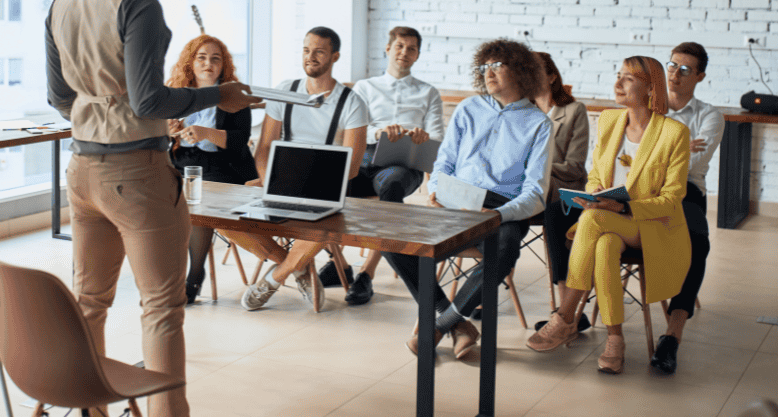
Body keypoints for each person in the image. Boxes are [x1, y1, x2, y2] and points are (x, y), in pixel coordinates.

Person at [45, 0, 256, 417]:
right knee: (162, 307)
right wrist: (221, 95)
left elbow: (59, 97)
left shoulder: (61, 2)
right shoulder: (137, 3)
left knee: (91, 301)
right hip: (134, 173)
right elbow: (150, 100)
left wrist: (98, 103)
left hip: (82, 169)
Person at [384, 38, 552, 360]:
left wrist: (499, 214)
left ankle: (440, 325)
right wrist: (438, 192)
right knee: (393, 240)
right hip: (453, 201)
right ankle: (459, 325)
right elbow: (444, 162)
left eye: (496, 65)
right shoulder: (468, 108)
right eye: (483, 66)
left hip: (500, 208)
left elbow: (535, 193)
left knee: (505, 249)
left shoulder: (538, 124)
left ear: (519, 70)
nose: (488, 73)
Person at [526, 56, 691, 375]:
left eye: (628, 78)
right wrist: (596, 191)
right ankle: (615, 340)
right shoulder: (609, 121)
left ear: (649, 87)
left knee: (590, 221)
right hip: (607, 223)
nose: (618, 83)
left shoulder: (674, 133)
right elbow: (593, 176)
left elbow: (672, 199)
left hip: (653, 227)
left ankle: (565, 316)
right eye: (618, 75)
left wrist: (624, 207)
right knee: (603, 246)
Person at [233, 26, 369, 313]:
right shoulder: (286, 91)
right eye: (307, 50)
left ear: (335, 56)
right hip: (281, 182)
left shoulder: (352, 102)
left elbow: (353, 167)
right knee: (225, 217)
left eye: (319, 51)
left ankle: (274, 278)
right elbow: (265, 148)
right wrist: (271, 181)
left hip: (328, 188)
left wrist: (307, 185)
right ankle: (300, 269)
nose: (311, 57)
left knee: (324, 224)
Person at [322, 26, 444, 306]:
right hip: (365, 157)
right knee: (326, 184)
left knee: (391, 189)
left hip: (403, 164)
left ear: (417, 55)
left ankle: (366, 273)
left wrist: (421, 136)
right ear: (387, 49)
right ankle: (340, 264)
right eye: (399, 46)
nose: (404, 52)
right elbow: (349, 129)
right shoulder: (365, 87)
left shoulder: (428, 92)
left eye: (411, 48)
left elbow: (438, 138)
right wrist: (377, 133)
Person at [165, 34, 258, 304]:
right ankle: (163, 277)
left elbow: (240, 141)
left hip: (224, 166)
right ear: (190, 63)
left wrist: (207, 133)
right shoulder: (175, 93)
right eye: (202, 57)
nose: (208, 63)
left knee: (198, 207)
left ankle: (193, 277)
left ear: (223, 64)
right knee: (158, 199)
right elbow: (157, 139)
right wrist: (167, 133)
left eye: (215, 58)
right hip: (182, 162)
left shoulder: (235, 95)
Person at [652, 41, 723, 374]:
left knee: (698, 241)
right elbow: (627, 157)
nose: (674, 74)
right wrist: (679, 146)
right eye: (671, 65)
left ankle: (673, 333)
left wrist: (660, 153)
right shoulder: (649, 108)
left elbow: (694, 164)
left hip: (686, 191)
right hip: (643, 188)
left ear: (700, 76)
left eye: (684, 69)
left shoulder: (709, 116)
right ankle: (573, 310)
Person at [531, 52, 592, 330]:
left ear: (552, 76)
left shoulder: (574, 111)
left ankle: (565, 311)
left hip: (564, 192)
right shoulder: (522, 110)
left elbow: (575, 167)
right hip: (529, 191)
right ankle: (485, 290)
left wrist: (538, 168)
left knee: (554, 216)